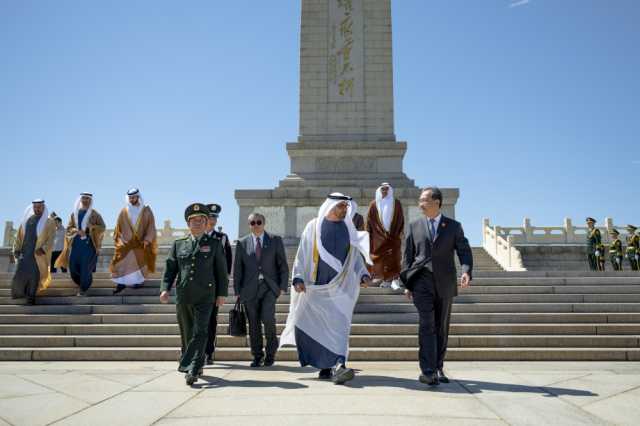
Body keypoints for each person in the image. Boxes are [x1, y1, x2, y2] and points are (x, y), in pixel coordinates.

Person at [280, 193, 372, 384]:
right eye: (341, 207)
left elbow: (355, 258)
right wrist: (298, 277)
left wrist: (363, 274)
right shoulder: (313, 226)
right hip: (317, 286)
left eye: (346, 207)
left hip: (341, 288)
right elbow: (303, 253)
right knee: (317, 327)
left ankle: (340, 364)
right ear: (329, 207)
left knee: (339, 326)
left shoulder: (349, 229)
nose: (344, 210)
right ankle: (324, 366)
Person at [401, 187, 473, 386]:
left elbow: (464, 251)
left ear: (437, 203)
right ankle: (428, 370)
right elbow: (407, 257)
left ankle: (438, 366)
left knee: (441, 327)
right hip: (421, 281)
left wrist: (466, 271)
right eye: (420, 200)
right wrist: (407, 283)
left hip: (445, 282)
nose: (420, 203)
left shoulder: (453, 227)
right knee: (427, 325)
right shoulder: (414, 226)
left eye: (424, 200)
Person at [160, 203, 228, 386]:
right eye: (193, 220)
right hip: (184, 295)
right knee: (187, 333)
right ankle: (192, 363)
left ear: (206, 223)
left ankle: (193, 367)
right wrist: (165, 288)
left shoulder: (214, 244)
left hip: (206, 295)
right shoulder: (179, 244)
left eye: (201, 220)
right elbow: (170, 268)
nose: (197, 223)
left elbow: (221, 271)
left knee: (201, 331)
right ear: (188, 223)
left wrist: (222, 293)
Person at [234, 213, 289, 367]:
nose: (256, 225)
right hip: (249, 289)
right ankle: (257, 355)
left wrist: (282, 287)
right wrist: (238, 290)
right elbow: (238, 269)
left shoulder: (275, 240)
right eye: (252, 223)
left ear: (264, 224)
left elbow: (283, 266)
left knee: (268, 319)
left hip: (269, 288)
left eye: (259, 222)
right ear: (249, 224)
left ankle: (271, 353)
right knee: (253, 324)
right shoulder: (242, 243)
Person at [55, 193, 106, 296]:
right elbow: (69, 229)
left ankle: (83, 288)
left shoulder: (95, 214)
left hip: (89, 245)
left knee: (85, 267)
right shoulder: (74, 214)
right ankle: (85, 282)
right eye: (83, 198)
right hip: (76, 244)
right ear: (80, 200)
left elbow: (103, 227)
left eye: (87, 199)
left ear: (90, 200)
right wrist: (76, 231)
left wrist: (90, 227)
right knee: (73, 267)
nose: (85, 200)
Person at [110, 188, 158, 294]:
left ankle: (138, 282)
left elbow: (151, 226)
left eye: (134, 197)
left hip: (140, 241)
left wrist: (147, 240)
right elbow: (118, 227)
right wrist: (120, 239)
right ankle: (120, 283)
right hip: (126, 242)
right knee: (121, 260)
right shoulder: (124, 211)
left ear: (138, 197)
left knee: (138, 262)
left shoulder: (146, 210)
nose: (132, 199)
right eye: (130, 197)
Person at [203, 203, 233, 365]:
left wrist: (222, 287)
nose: (213, 220)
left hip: (213, 287)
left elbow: (227, 264)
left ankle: (208, 352)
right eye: (210, 216)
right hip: (196, 286)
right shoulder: (196, 235)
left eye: (215, 217)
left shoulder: (222, 238)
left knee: (210, 320)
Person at [11, 199, 56, 305]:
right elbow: (19, 236)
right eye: (35, 207)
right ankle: (19, 294)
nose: (37, 209)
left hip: (38, 255)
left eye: (39, 207)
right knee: (19, 274)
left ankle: (31, 297)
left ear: (43, 207)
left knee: (34, 276)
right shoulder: (27, 220)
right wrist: (16, 249)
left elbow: (51, 238)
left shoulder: (49, 222)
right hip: (25, 253)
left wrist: (44, 249)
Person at [366, 182, 405, 290]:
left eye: (387, 189)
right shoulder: (374, 204)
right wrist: (367, 234)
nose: (384, 191)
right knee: (379, 259)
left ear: (390, 190)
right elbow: (369, 220)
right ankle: (383, 280)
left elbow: (400, 218)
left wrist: (400, 231)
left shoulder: (396, 203)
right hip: (378, 237)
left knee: (394, 257)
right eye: (382, 189)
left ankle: (394, 279)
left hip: (393, 236)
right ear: (379, 190)